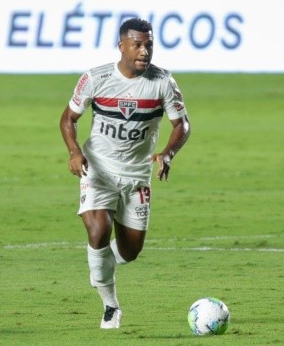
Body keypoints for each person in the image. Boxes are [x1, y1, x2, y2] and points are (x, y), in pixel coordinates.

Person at [59, 18, 191, 329]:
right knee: (98, 231)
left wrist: (168, 153)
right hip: (98, 169)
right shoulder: (96, 78)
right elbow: (68, 119)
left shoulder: (163, 82)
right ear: (122, 46)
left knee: (130, 252)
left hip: (136, 176)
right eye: (138, 45)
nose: (145, 51)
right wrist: (74, 152)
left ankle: (100, 263)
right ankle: (110, 306)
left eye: (149, 45)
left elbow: (182, 125)